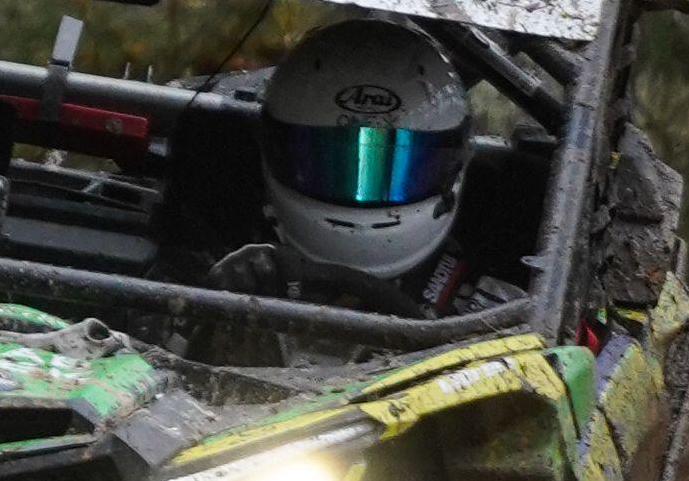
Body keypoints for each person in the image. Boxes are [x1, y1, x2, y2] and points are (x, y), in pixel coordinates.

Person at [206, 18, 521, 313]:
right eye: (332, 165)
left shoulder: (495, 307)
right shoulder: (232, 268)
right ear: (275, 152)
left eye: (398, 169)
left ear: (455, 166)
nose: (362, 191)